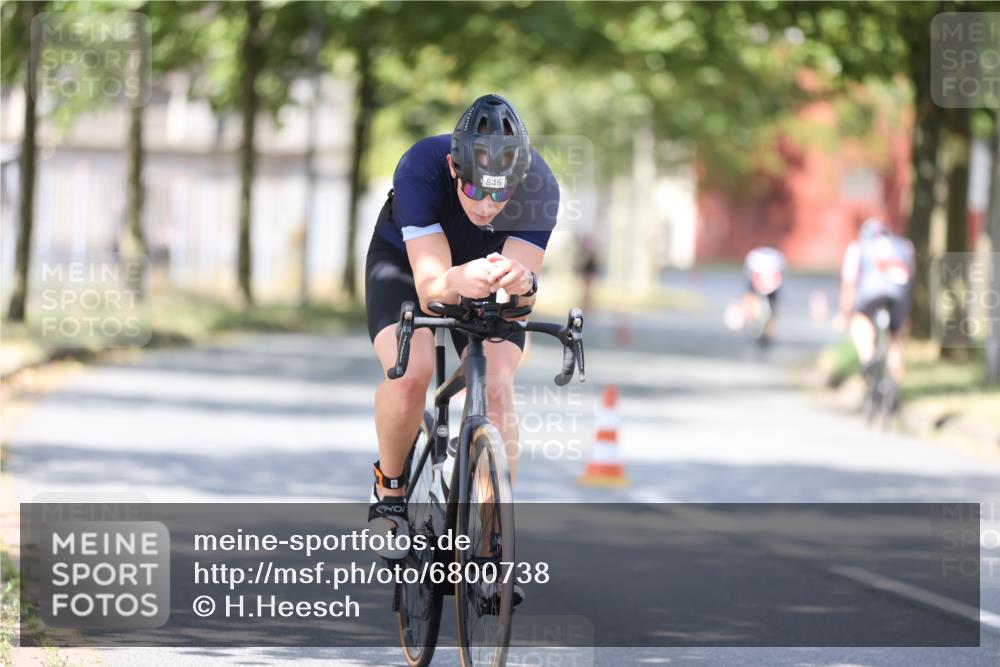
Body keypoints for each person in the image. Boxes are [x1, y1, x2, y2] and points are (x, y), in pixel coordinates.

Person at [363, 94, 558, 565]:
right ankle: (390, 492)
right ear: (455, 168)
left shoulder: (541, 186)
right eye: (476, 191)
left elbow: (521, 300)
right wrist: (453, 280)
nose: (489, 206)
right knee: (412, 372)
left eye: (501, 194)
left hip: (483, 272)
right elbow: (432, 289)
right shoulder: (420, 168)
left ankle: (493, 538)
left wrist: (524, 284)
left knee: (496, 384)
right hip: (409, 266)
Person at [834, 217, 915, 392]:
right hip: (898, 293)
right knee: (896, 337)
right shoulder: (904, 246)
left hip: (870, 292)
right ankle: (895, 385)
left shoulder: (858, 248)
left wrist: (844, 314)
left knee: (860, 320)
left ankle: (868, 358)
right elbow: (911, 278)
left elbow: (849, 283)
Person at [741, 246, 786, 345]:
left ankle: (762, 326)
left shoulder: (755, 256)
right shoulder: (776, 257)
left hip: (771, 282)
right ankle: (753, 321)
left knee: (771, 305)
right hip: (762, 280)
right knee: (755, 300)